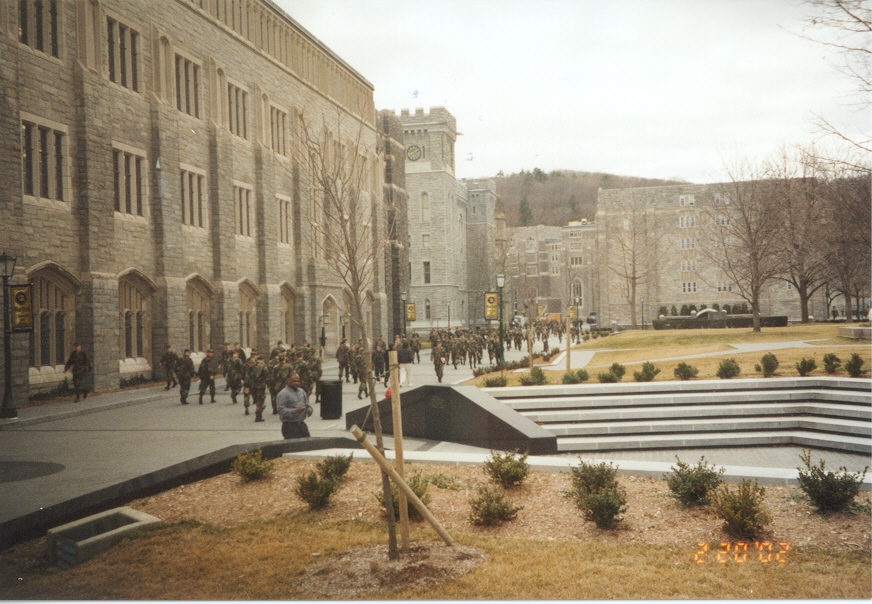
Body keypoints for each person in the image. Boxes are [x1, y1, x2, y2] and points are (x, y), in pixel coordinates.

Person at [277, 373, 313, 439]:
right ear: (288, 381)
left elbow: (307, 404)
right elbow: (281, 410)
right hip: (290, 426)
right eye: (293, 381)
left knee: (307, 444)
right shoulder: (283, 394)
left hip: (301, 424)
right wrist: (295, 411)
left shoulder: (301, 391)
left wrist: (309, 409)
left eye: (298, 381)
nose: (296, 383)